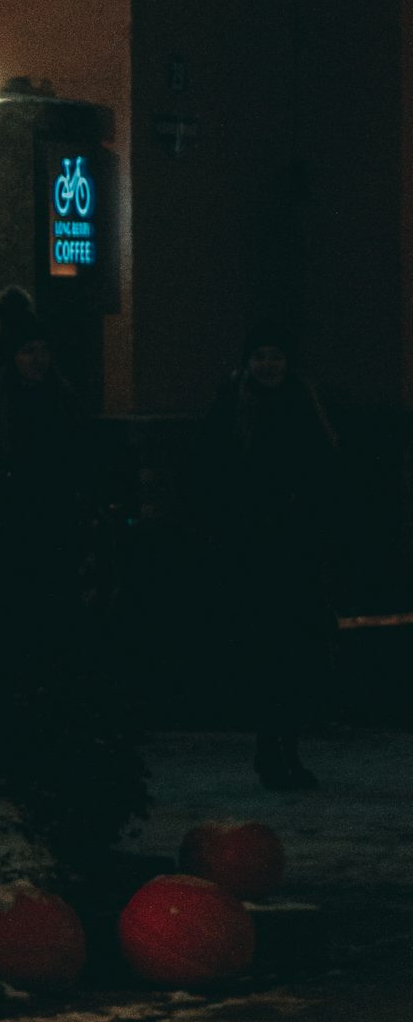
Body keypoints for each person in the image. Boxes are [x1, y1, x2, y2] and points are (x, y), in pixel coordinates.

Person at [0, 287, 101, 703]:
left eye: (42, 350)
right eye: (27, 351)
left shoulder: (59, 396)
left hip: (51, 525)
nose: (37, 359)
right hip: (11, 527)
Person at [208, 322, 339, 791]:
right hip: (253, 550)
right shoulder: (233, 405)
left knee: (294, 652)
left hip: (296, 548)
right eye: (260, 356)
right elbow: (216, 474)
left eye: (275, 357)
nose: (268, 365)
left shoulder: (303, 402)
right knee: (267, 652)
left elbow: (325, 470)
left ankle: (288, 749)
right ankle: (270, 749)